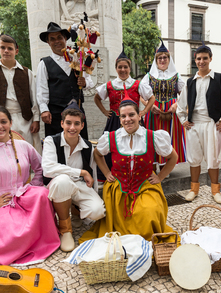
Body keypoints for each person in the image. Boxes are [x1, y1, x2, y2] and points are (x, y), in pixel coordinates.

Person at [79, 93, 179, 245]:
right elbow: (97, 154)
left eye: (131, 114)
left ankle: (143, 244)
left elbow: (173, 157)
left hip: (145, 186)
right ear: (119, 119)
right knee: (120, 223)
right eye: (123, 116)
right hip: (118, 188)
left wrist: (160, 177)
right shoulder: (111, 137)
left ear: (139, 115)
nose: (127, 119)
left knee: (149, 212)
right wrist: (106, 173)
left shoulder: (152, 136)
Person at [0, 106, 60, 265]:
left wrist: (33, 185)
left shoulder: (23, 146)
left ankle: (46, 240)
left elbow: (41, 167)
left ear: (11, 123)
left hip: (23, 194)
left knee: (42, 194)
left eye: (3, 122)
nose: (0, 126)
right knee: (10, 233)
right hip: (3, 202)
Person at [42, 104, 106, 252]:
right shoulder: (52, 141)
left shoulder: (88, 146)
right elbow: (48, 169)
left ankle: (75, 209)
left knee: (97, 211)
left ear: (82, 125)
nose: (72, 127)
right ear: (62, 123)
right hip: (58, 185)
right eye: (69, 123)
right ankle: (65, 230)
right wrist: (81, 172)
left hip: (78, 185)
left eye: (77, 123)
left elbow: (93, 175)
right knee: (63, 181)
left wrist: (94, 194)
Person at [176, 44, 221, 203]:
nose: (201, 61)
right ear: (195, 60)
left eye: (204, 58)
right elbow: (180, 106)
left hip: (211, 124)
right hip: (194, 125)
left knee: (213, 158)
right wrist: (183, 121)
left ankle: (215, 190)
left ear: (210, 59)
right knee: (194, 158)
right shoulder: (190, 82)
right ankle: (194, 189)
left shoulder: (219, 79)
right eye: (199, 58)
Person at [94, 45, 155, 180]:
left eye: (125, 67)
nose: (123, 70)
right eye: (120, 67)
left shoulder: (137, 84)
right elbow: (97, 98)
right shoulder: (109, 85)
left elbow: (152, 98)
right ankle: (112, 175)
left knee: (138, 146)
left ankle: (137, 174)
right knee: (112, 147)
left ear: (129, 68)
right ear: (116, 68)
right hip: (115, 120)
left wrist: (144, 111)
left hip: (134, 121)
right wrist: (105, 111)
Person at [36, 22, 94, 139]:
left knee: (80, 144)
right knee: (57, 146)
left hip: (77, 111)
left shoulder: (77, 58)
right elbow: (41, 88)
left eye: (59, 37)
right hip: (56, 114)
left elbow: (90, 81)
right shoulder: (44, 63)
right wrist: (44, 110)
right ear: (48, 42)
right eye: (52, 39)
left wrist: (84, 83)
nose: (56, 41)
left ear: (65, 39)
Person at [141, 39, 186, 169]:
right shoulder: (149, 76)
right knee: (153, 138)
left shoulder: (176, 76)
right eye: (159, 58)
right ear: (156, 60)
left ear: (169, 59)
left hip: (171, 112)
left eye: (165, 57)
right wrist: (149, 106)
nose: (162, 60)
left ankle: (167, 166)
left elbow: (184, 94)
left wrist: (176, 105)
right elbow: (142, 96)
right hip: (154, 112)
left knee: (170, 138)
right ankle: (154, 165)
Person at [0, 34, 42, 154]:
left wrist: (36, 120)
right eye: (3, 48)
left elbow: (33, 98)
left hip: (25, 119)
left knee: (25, 151)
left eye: (10, 48)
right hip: (3, 119)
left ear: (16, 51)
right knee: (5, 152)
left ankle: (27, 173)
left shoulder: (26, 72)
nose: (6, 51)